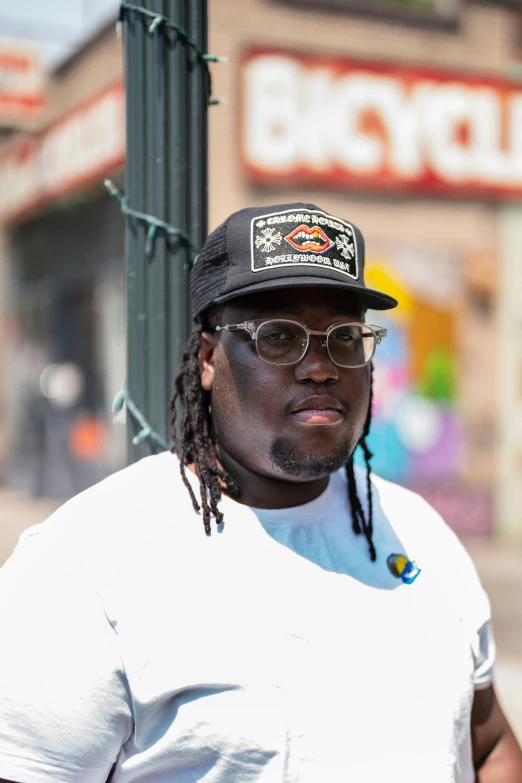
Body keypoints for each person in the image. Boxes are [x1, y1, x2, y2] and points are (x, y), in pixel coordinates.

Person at [0, 203, 520, 783]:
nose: (321, 367)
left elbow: (490, 744)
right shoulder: (87, 562)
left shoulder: (420, 531)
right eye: (278, 337)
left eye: (345, 338)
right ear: (208, 358)